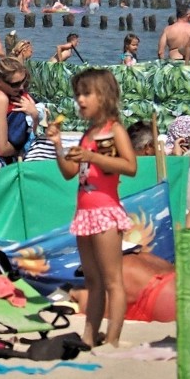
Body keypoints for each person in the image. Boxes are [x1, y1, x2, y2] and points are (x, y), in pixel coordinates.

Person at [46, 68, 137, 348]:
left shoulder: (114, 130)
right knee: (93, 282)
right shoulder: (88, 134)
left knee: (112, 281)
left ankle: (112, 340)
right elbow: (69, 173)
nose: (80, 100)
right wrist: (59, 146)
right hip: (84, 214)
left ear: (104, 96)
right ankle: (88, 337)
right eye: (78, 95)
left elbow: (129, 166)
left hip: (106, 211)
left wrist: (92, 156)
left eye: (86, 94)